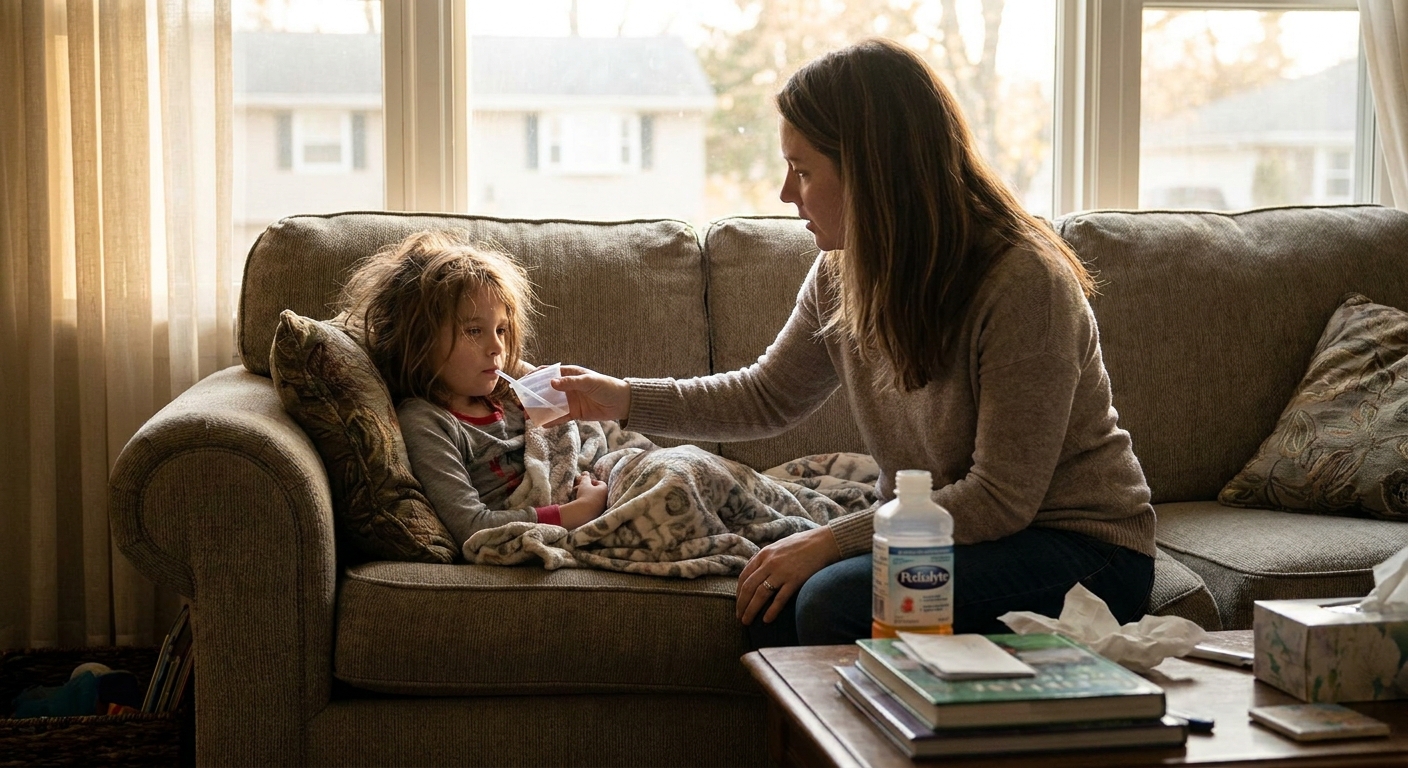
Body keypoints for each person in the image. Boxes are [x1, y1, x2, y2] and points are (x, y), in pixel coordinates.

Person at [545, 38, 1157, 646]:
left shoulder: (1023, 282)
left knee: (830, 601)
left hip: (1080, 550)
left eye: (804, 171)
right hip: (935, 530)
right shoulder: (843, 270)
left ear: (873, 172)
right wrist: (619, 397)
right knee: (772, 601)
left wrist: (829, 542)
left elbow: (999, 500)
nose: (787, 194)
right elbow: (767, 397)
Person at [339, 231, 609, 544]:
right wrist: (582, 510)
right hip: (576, 514)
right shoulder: (427, 422)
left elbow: (585, 438)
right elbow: (472, 524)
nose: (496, 346)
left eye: (501, 329)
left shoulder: (513, 389)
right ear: (419, 341)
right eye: (474, 330)